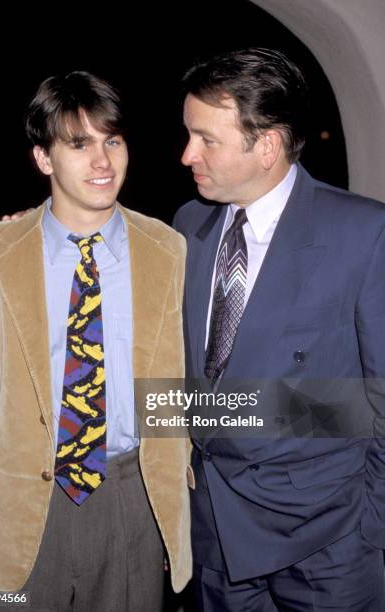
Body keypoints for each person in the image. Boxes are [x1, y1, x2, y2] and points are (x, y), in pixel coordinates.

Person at [0, 71, 191, 611]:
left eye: (112, 140)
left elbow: (176, 393)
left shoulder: (169, 249)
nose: (103, 161)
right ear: (44, 159)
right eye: (79, 144)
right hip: (20, 506)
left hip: (132, 500)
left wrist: (171, 510)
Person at [173, 48, 385, 611]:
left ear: (266, 145)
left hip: (326, 547)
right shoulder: (189, 223)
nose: (187, 153)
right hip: (214, 537)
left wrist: (370, 527)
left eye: (206, 139)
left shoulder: (363, 234)